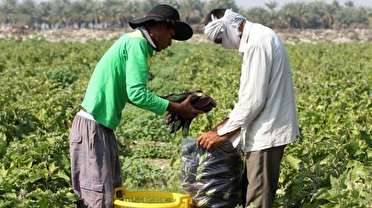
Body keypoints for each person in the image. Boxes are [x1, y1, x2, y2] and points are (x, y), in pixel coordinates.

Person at [69, 4, 201, 208]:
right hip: (93, 128)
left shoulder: (133, 43)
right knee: (98, 200)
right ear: (160, 27)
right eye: (171, 35)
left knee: (111, 194)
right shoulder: (137, 44)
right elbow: (137, 93)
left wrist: (170, 102)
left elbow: (129, 92)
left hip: (101, 128)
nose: (170, 43)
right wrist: (176, 108)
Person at [197, 8, 299, 208]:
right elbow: (250, 98)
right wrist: (219, 129)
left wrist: (222, 134)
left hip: (266, 133)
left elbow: (253, 101)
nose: (223, 46)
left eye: (220, 40)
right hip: (263, 129)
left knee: (257, 199)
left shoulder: (257, 44)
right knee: (251, 193)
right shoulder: (259, 37)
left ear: (228, 28)